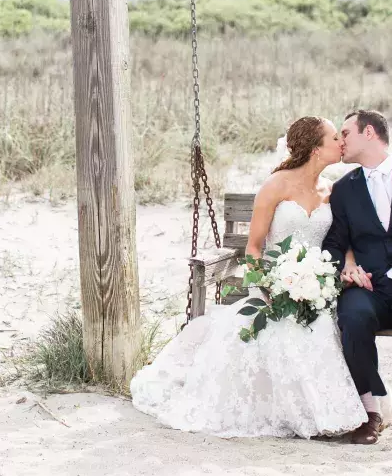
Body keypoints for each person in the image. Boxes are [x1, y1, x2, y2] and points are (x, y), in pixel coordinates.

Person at [131, 116, 367, 439]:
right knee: (283, 330)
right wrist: (271, 287)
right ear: (315, 149)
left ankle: (328, 416)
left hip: (316, 291)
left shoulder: (330, 191)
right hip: (273, 288)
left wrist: (331, 276)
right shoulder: (275, 186)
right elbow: (254, 249)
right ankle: (307, 416)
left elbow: (344, 242)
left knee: (321, 326)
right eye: (333, 138)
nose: (341, 143)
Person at [323, 109, 392, 445]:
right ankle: (370, 411)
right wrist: (345, 268)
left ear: (369, 133)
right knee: (352, 316)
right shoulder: (343, 189)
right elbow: (335, 243)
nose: (341, 141)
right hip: (368, 285)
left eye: (346, 133)